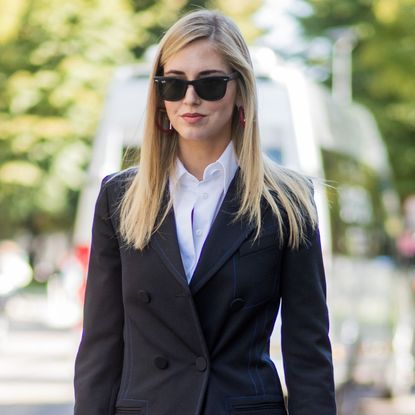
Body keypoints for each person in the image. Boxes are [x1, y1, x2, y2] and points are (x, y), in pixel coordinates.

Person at [74, 9, 336, 415]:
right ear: (159, 96)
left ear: (241, 91)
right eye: (173, 84)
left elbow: (308, 352)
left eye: (210, 84)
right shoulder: (119, 197)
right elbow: (100, 346)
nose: (189, 98)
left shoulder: (287, 202)